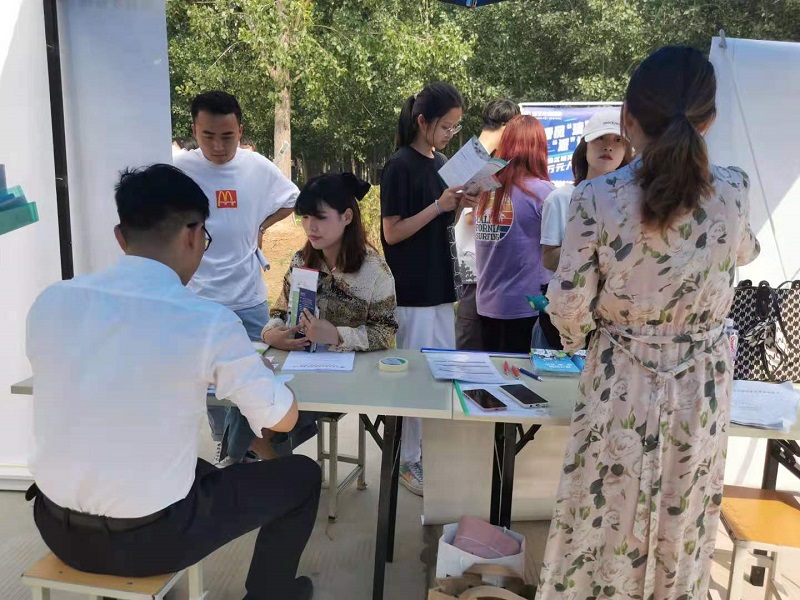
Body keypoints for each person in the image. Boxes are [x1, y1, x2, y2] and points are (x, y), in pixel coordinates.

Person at [26, 164, 321, 600]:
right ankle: (269, 593)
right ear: (194, 235)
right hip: (153, 541)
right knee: (302, 476)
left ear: (120, 237)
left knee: (184, 468)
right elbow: (281, 420)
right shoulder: (205, 320)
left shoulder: (51, 301)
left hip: (55, 527)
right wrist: (279, 388)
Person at [536, 46, 760, 600]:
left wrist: (580, 339)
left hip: (622, 377)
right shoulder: (733, 189)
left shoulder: (596, 197)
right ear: (709, 120)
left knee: (605, 517)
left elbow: (567, 304)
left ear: (628, 119)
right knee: (683, 518)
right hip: (700, 386)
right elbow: (746, 252)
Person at [221, 172, 399, 464]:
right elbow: (279, 312)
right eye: (304, 217)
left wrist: (336, 335)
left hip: (348, 378)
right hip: (298, 369)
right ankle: (252, 467)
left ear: (347, 217)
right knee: (252, 396)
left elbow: (386, 332)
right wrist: (272, 334)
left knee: (266, 413)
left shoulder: (374, 271)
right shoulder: (301, 261)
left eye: (320, 218)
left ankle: (242, 465)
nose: (310, 227)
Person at [174, 91, 299, 455]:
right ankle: (225, 446)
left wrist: (260, 225)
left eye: (227, 136)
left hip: (247, 298)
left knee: (261, 376)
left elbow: (292, 198)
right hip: (199, 300)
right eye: (208, 136)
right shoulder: (179, 170)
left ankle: (255, 449)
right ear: (194, 131)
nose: (217, 146)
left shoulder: (256, 167)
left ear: (240, 131)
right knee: (211, 385)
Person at [381, 81, 474, 496]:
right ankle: (407, 460)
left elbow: (440, 224)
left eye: (455, 127)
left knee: (441, 374)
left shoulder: (442, 163)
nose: (450, 134)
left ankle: (429, 452)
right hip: (413, 290)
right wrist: (438, 206)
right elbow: (393, 232)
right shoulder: (399, 166)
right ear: (423, 122)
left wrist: (459, 204)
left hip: (440, 286)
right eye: (446, 126)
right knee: (415, 378)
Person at [532, 109, 633, 349]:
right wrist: (595, 249)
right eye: (600, 138)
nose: (608, 146)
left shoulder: (634, 205)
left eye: (617, 140)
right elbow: (549, 258)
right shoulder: (561, 198)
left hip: (615, 322)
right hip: (563, 318)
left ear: (626, 152)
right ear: (584, 147)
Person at [474, 114, 554, 353]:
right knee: (521, 374)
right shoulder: (544, 193)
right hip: (527, 306)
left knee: (493, 371)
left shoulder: (486, 189)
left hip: (486, 304)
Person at [454, 99, 520, 350]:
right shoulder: (472, 159)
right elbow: (462, 213)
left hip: (489, 267)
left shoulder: (480, 156)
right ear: (506, 127)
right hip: (474, 268)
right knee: (470, 346)